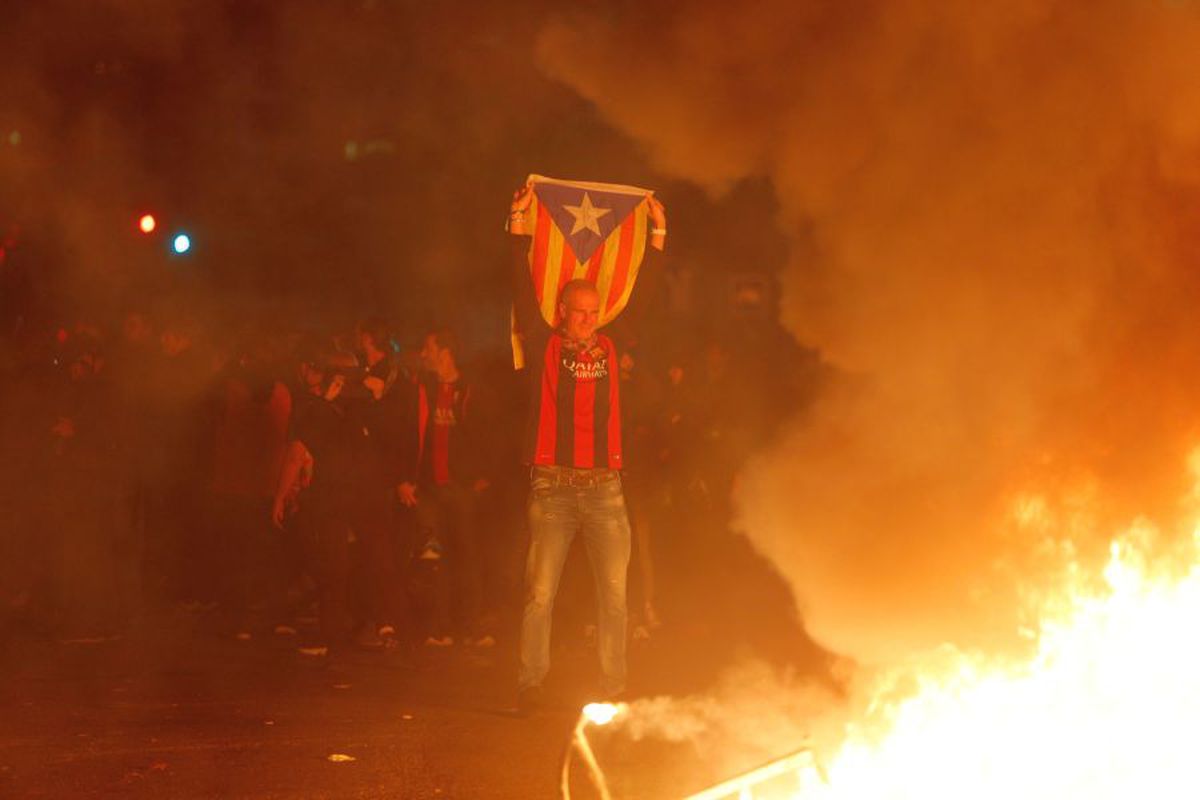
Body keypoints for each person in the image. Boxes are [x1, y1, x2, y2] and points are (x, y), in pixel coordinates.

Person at [507, 185, 666, 709]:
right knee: (539, 594)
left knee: (615, 599)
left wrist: (658, 234)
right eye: (579, 312)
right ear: (562, 311)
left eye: (594, 312)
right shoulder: (543, 342)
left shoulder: (613, 347)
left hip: (604, 491)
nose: (588, 320)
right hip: (552, 486)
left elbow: (644, 297)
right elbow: (518, 286)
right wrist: (518, 227)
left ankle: (614, 688)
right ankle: (532, 683)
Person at [397, 328, 495, 646]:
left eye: (429, 348)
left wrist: (482, 477)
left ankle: (470, 626)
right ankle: (439, 627)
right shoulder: (422, 388)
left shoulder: (470, 389)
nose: (424, 354)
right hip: (430, 489)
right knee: (434, 557)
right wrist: (406, 477)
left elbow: (488, 432)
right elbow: (408, 434)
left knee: (466, 555)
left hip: (461, 488)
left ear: (446, 353)